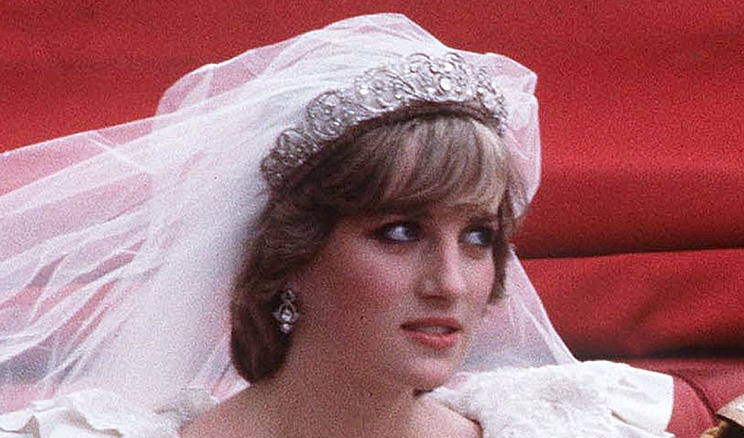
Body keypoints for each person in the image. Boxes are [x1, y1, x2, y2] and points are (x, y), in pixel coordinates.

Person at [0, 14, 673, 437]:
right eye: (401, 232)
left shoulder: (567, 425)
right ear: (291, 252)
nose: (450, 284)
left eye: (477, 237)